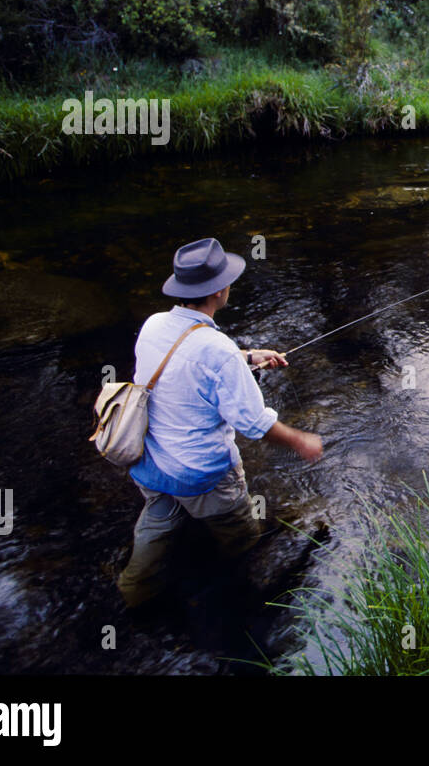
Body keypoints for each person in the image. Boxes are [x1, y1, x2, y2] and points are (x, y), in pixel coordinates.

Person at [116, 237, 323, 608]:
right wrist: (300, 441)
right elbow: (254, 424)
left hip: (150, 463)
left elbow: (187, 363)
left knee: (157, 526)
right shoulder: (218, 351)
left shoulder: (154, 324)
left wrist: (247, 356)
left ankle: (134, 594)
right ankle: (229, 597)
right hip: (202, 474)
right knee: (240, 536)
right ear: (220, 290)